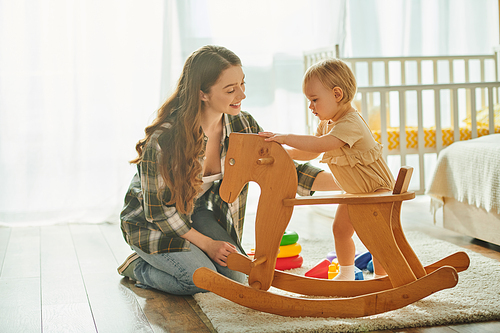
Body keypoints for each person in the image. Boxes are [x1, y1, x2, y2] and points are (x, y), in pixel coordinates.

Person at [117, 45, 334, 295]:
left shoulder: (242, 123)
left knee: (236, 278)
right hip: (151, 223)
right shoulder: (164, 139)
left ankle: (186, 257)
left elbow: (281, 170)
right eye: (230, 90)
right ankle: (137, 267)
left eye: (242, 84)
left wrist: (349, 182)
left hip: (197, 212)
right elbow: (158, 212)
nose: (241, 95)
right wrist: (208, 245)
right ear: (203, 94)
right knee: (201, 282)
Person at [259, 58, 395, 281]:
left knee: (374, 236)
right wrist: (285, 153)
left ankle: (382, 279)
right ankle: (346, 274)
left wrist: (286, 137)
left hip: (376, 190)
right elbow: (311, 152)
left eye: (314, 100)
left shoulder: (350, 123)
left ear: (337, 94)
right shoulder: (327, 123)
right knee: (340, 230)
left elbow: (321, 145)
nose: (310, 107)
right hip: (354, 191)